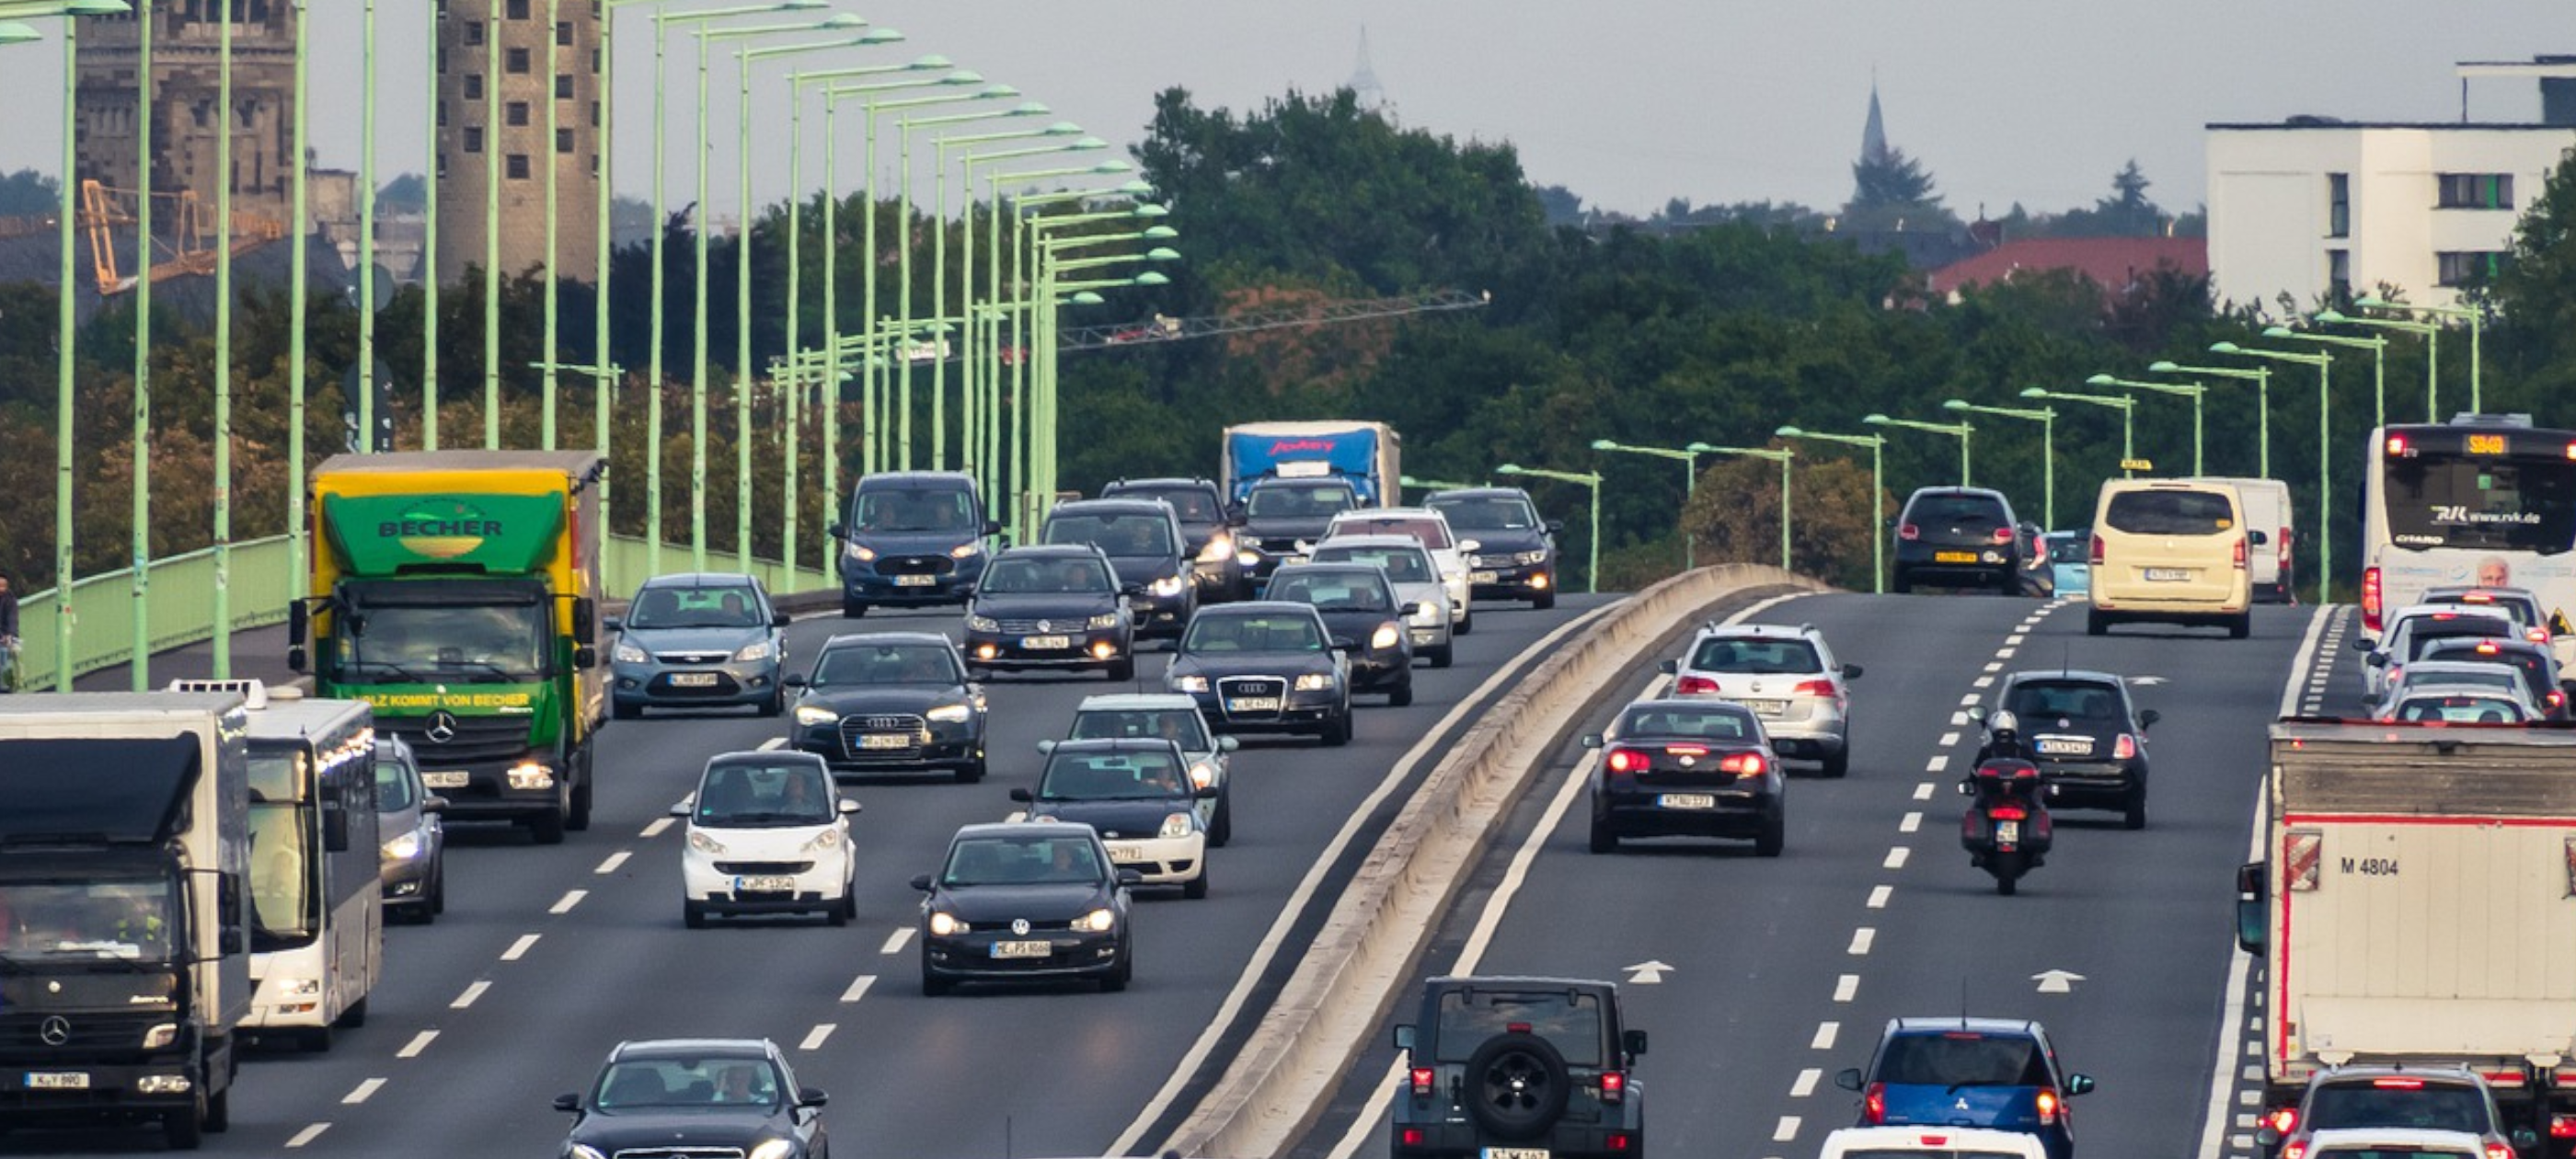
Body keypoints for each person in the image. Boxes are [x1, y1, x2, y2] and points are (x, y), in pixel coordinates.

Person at [0, 570, 20, 693]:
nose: (1, 589)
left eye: (3, 586)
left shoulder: (10, 600)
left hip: (5, 635)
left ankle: (5, 684)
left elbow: (12, 619)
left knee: (4, 652)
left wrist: (11, 635)